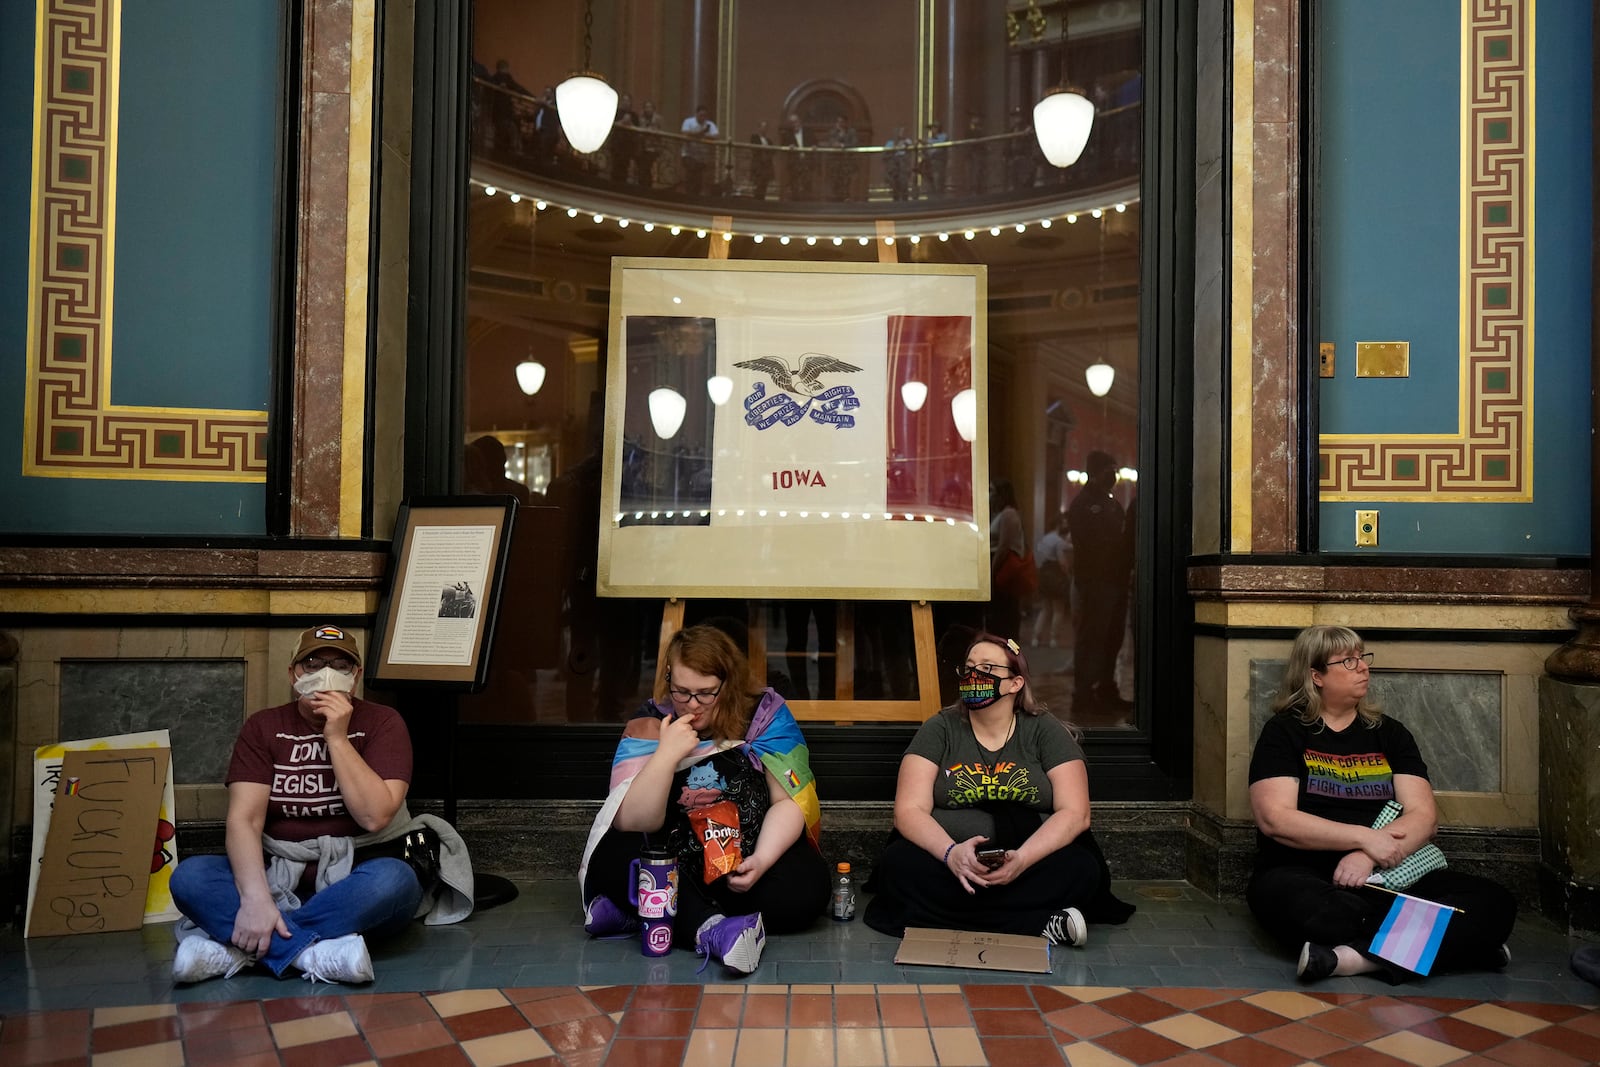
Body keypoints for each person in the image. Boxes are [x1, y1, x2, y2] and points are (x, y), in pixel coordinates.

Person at [169, 626, 474, 984]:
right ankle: (313, 954)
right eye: (311, 664)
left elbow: (374, 816)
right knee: (191, 877)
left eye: (340, 665)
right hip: (277, 873)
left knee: (394, 881)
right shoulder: (264, 727)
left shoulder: (383, 723)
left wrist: (337, 737)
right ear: (292, 673)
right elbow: (245, 820)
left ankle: (235, 951)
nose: (324, 675)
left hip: (359, 876)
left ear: (356, 677)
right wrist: (255, 900)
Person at [1248, 625, 1517, 982]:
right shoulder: (1284, 732)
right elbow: (1275, 820)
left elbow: (1424, 817)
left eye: (1363, 658)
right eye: (1348, 661)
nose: (1363, 668)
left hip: (1389, 872)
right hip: (1305, 873)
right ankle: (1463, 945)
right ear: (1317, 676)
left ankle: (1353, 959)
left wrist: (1369, 853)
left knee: (1497, 903)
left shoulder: (1390, 733)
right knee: (1327, 912)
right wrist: (1362, 837)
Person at [579, 624, 830, 973]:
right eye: (681, 692)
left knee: (810, 886)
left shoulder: (764, 717)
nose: (692, 706)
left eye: (706, 693)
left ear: (729, 684)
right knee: (614, 858)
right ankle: (710, 928)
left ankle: (648, 915)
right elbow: (633, 821)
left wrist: (762, 860)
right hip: (675, 865)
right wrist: (666, 756)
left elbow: (789, 800)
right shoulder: (650, 724)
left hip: (740, 862)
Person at [863, 634, 1127, 943]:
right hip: (950, 858)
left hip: (1028, 858)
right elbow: (908, 811)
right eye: (970, 667)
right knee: (898, 865)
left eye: (987, 667)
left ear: (1015, 684)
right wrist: (951, 855)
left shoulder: (1044, 730)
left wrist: (1023, 860)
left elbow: (1076, 813)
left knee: (1082, 869)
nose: (975, 675)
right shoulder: (940, 728)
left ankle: (953, 919)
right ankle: (1041, 924)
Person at [1068, 452, 1131, 718]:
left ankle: (1106, 689)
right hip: (1095, 582)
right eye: (1109, 469)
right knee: (1093, 638)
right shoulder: (1083, 505)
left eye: (1115, 469)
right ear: (1094, 472)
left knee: (1112, 639)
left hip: (1115, 582)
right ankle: (1083, 694)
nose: (1113, 475)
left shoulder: (1112, 503)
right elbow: (1092, 545)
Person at [988, 479, 1027, 638]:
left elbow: (1004, 545)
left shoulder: (1008, 514)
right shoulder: (1000, 514)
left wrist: (992, 570)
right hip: (1001, 566)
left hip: (1004, 568)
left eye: (992, 491)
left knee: (1004, 613)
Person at [1031, 517, 1072, 647]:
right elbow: (1062, 562)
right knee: (1058, 609)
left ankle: (1036, 638)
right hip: (1056, 575)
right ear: (1059, 525)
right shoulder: (1059, 541)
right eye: (1064, 523)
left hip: (1043, 574)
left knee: (1045, 609)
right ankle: (1054, 639)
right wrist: (1068, 574)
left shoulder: (1045, 539)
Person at [680, 104, 720, 196]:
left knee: (699, 178)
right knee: (690, 175)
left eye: (704, 116)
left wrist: (702, 135)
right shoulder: (688, 121)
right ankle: (688, 195)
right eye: (701, 115)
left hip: (702, 156)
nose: (703, 118)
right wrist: (700, 133)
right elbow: (685, 133)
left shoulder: (710, 124)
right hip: (689, 153)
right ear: (696, 114)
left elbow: (716, 136)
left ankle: (695, 195)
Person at [749, 120, 775, 199]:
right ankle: (757, 199)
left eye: (766, 127)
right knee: (757, 183)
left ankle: (762, 198)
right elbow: (754, 148)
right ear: (759, 128)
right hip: (758, 165)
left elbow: (773, 151)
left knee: (764, 184)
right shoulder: (754, 137)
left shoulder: (769, 141)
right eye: (763, 127)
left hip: (767, 166)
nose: (764, 129)